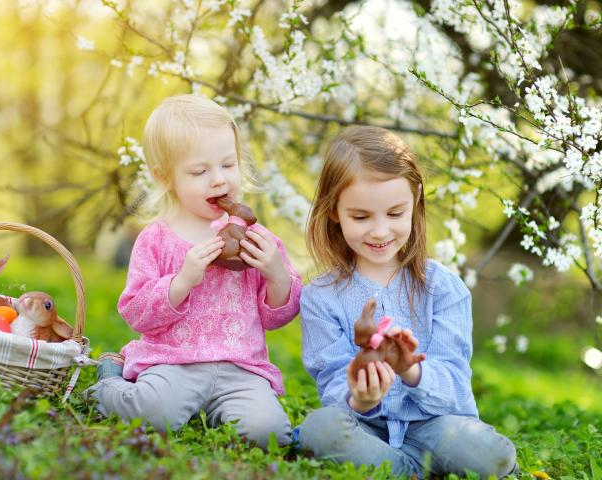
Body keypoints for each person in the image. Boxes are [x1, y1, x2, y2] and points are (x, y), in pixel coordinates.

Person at [296, 126, 518, 478]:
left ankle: (396, 470)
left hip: (436, 427)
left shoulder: (444, 288)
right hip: (366, 430)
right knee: (319, 430)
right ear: (335, 211)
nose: (380, 231)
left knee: (491, 455)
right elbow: (333, 385)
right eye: (361, 216)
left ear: (415, 201)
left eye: (395, 213)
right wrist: (362, 398)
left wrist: (411, 370)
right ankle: (409, 471)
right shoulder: (320, 297)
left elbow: (456, 390)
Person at [88, 95, 301, 449]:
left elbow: (278, 315)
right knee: (153, 414)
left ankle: (224, 411)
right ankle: (110, 381)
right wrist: (182, 281)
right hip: (174, 364)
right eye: (200, 172)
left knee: (269, 433)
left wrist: (277, 275)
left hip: (241, 369)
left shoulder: (257, 239)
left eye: (228, 165)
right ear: (165, 177)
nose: (218, 180)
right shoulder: (155, 239)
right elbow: (136, 312)